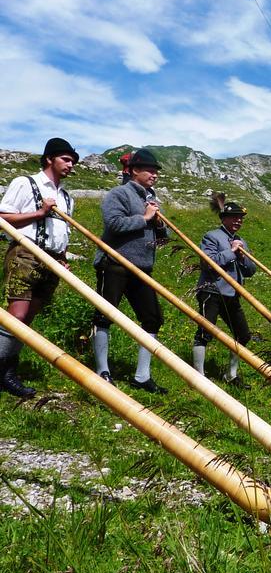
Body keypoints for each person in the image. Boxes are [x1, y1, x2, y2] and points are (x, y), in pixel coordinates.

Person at [0, 137, 78, 398]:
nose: (70, 164)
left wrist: (63, 256)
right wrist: (39, 213)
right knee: (17, 317)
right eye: (65, 159)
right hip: (26, 254)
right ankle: (4, 371)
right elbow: (3, 217)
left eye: (72, 160)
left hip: (52, 260)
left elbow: (61, 231)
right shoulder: (26, 183)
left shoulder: (66, 196)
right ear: (49, 158)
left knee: (29, 318)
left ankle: (8, 370)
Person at [92, 148, 168, 393]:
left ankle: (142, 376)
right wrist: (145, 218)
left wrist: (159, 225)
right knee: (105, 314)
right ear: (135, 170)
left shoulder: (151, 199)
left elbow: (162, 238)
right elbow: (113, 223)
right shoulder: (119, 194)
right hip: (114, 263)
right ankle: (102, 370)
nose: (155, 175)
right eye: (150, 170)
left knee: (153, 318)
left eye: (156, 171)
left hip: (143, 268)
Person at [191, 199, 255, 387]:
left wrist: (242, 257)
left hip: (232, 294)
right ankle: (198, 376)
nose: (238, 221)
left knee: (242, 335)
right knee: (205, 331)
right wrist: (232, 252)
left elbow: (251, 270)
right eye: (234, 217)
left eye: (240, 218)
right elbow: (207, 262)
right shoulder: (212, 237)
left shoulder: (242, 241)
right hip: (212, 290)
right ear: (224, 218)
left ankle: (231, 375)